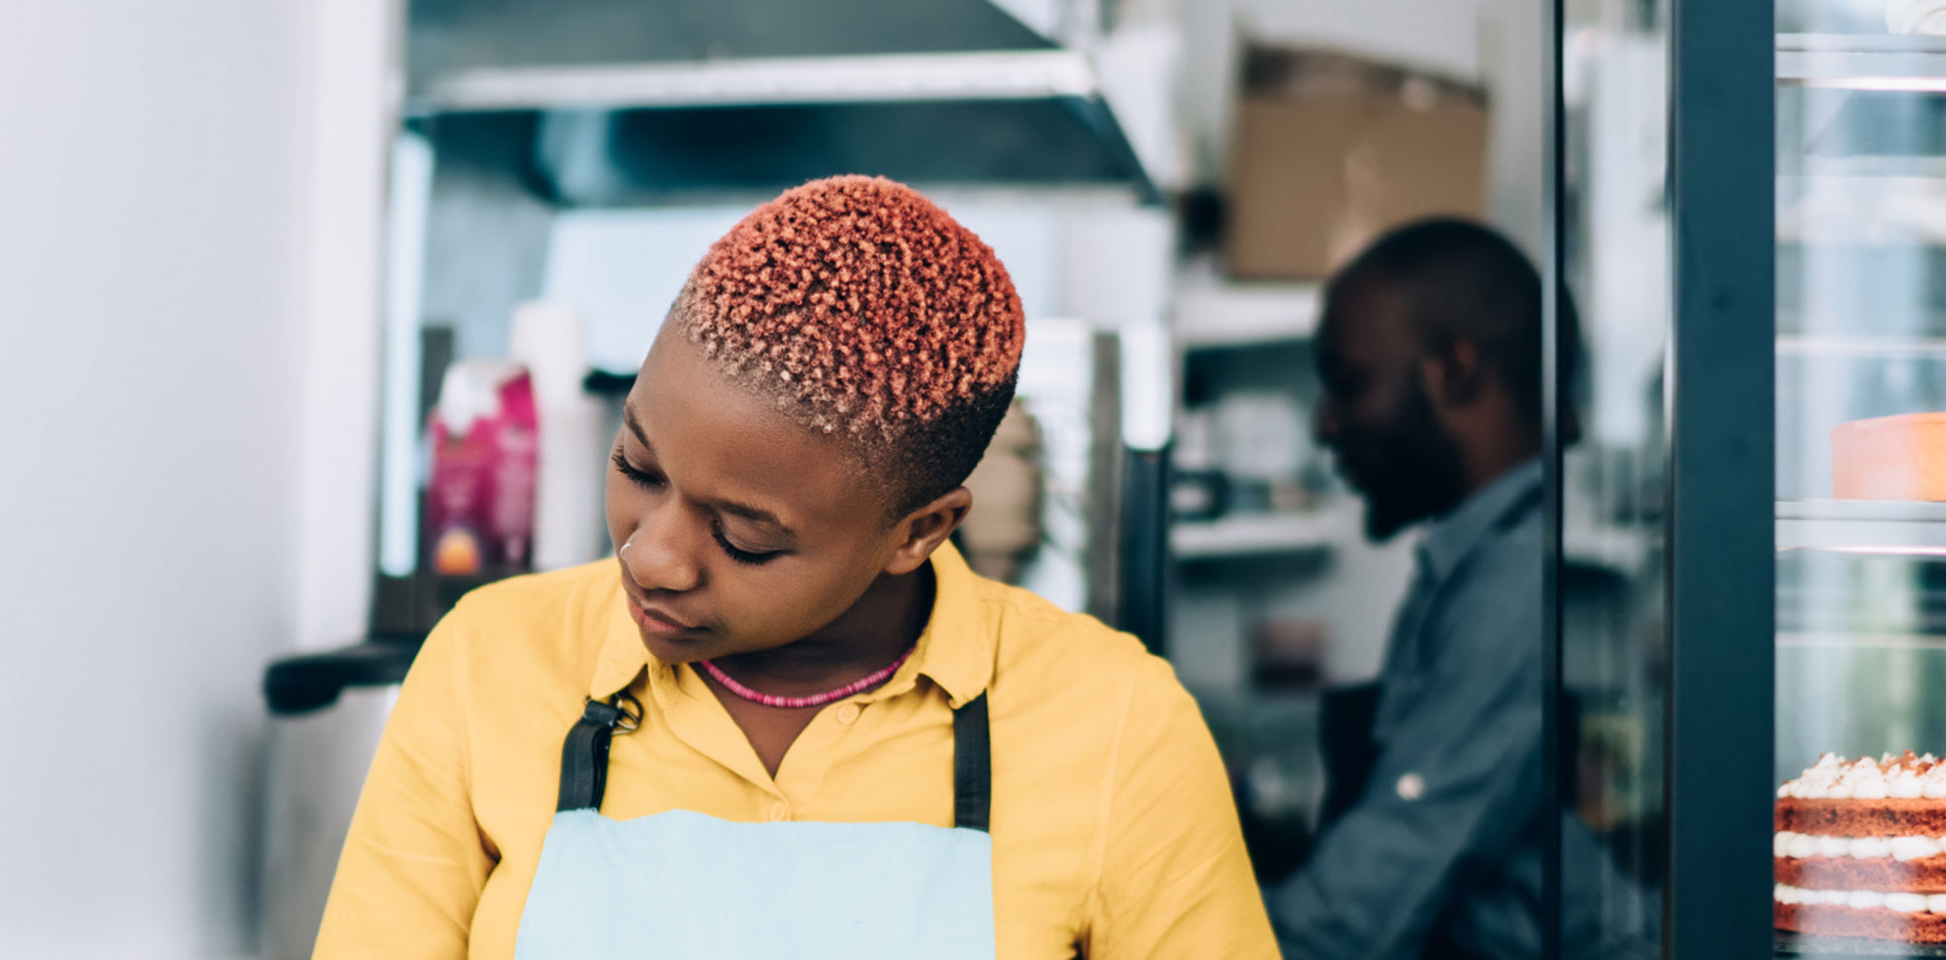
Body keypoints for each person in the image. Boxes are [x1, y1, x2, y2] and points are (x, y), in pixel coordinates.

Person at [315, 176, 1276, 959]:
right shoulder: (490, 664)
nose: (650, 558)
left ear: (919, 531)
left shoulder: (1118, 729)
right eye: (637, 468)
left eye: (745, 537)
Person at [1271, 218, 1628, 959]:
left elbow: (1371, 899)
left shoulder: (1516, 581)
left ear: (1455, 372)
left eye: (1349, 383)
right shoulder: (1476, 565)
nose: (1326, 425)